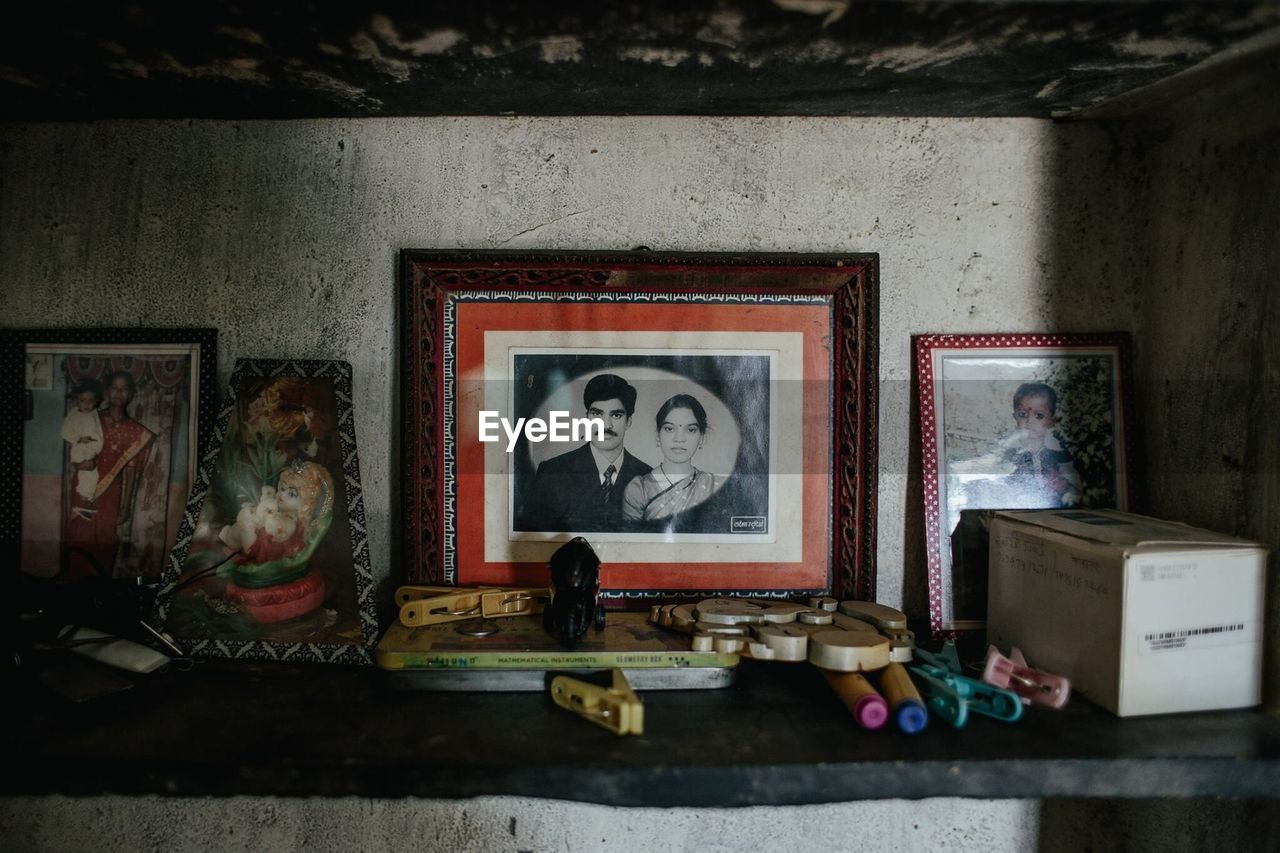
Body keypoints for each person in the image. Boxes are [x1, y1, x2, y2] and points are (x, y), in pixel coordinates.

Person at [517, 373, 652, 532]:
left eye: (616, 415)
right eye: (597, 414)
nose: (605, 425)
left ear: (628, 421)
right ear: (586, 418)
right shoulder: (552, 472)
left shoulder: (649, 478)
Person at [65, 371, 156, 578]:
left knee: (106, 541)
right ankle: (74, 590)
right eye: (114, 388)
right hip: (83, 487)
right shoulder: (91, 418)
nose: (118, 393)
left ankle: (99, 592)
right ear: (107, 392)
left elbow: (131, 471)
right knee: (79, 536)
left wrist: (125, 506)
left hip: (110, 493)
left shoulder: (135, 432)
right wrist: (79, 462)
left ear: (131, 394)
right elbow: (73, 442)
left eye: (124, 388)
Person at [622, 393, 727, 524]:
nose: (679, 438)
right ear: (657, 435)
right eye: (669, 429)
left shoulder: (714, 486)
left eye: (691, 430)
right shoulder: (639, 489)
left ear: (701, 438)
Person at [60, 379, 104, 501]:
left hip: (91, 448)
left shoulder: (95, 414)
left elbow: (99, 433)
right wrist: (78, 439)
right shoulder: (73, 413)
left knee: (92, 474)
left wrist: (96, 447)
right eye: (82, 400)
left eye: (90, 401)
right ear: (77, 400)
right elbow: (65, 432)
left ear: (96, 402)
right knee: (87, 473)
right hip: (78, 448)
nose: (86, 404)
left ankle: (85, 495)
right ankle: (85, 496)